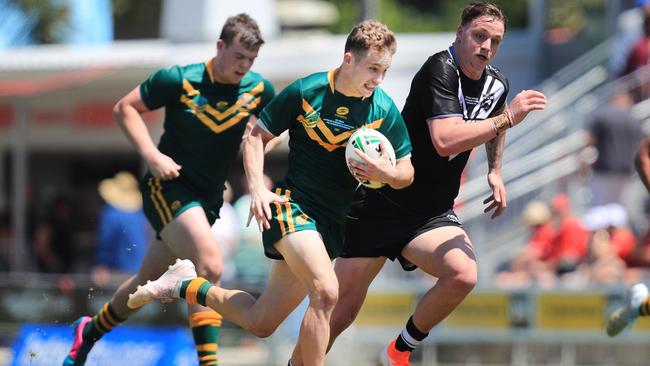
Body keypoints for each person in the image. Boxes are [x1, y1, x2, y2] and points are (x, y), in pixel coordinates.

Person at [127, 19, 414, 366]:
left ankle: (185, 285)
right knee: (326, 292)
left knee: (261, 322)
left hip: (332, 222)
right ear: (348, 59)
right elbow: (255, 136)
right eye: (373, 68)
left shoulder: (382, 108)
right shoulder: (307, 91)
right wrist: (258, 191)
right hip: (292, 208)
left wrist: (389, 172)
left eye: (384, 70)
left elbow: (407, 171)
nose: (378, 79)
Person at [300, 3, 547, 365]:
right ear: (460, 33)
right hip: (381, 203)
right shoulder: (439, 69)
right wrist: (509, 119)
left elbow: (495, 118)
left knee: (462, 275)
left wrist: (495, 169)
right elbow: (445, 139)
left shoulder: (498, 82)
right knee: (340, 313)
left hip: (430, 212)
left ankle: (398, 351)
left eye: (495, 41)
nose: (486, 47)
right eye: (479, 36)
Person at [62, 13, 275, 366]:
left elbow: (269, 135)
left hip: (206, 201)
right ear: (219, 46)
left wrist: (256, 141)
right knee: (210, 262)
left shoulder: (258, 90)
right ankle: (208, 362)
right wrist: (151, 154)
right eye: (239, 57)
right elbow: (125, 108)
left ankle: (88, 333)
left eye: (251, 60)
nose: (244, 66)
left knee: (143, 286)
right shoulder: (180, 79)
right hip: (168, 189)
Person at [584, 89, 642, 207]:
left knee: (600, 209)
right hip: (626, 171)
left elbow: (589, 140)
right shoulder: (633, 119)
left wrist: (584, 160)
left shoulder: (602, 114)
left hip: (604, 170)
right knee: (620, 209)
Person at [91, 171, 149, 287]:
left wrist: (101, 264)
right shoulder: (141, 214)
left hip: (117, 273)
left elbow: (106, 241)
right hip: (142, 271)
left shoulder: (110, 214)